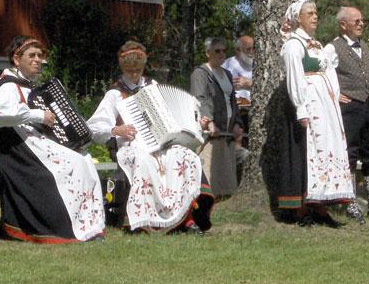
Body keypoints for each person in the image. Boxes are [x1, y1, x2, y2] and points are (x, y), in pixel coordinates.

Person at [0, 36, 105, 243]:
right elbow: (1, 115)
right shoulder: (7, 84)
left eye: (40, 55)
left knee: (83, 159)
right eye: (32, 55)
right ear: (17, 59)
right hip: (6, 143)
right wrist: (39, 115)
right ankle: (60, 227)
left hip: (22, 140)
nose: (38, 60)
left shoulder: (26, 85)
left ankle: (87, 223)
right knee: (64, 166)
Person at [88, 41, 213, 233]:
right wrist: (116, 130)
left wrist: (196, 124)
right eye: (129, 70)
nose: (134, 74)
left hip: (161, 145)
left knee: (184, 156)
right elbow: (94, 127)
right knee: (142, 160)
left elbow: (171, 117)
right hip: (131, 146)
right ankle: (141, 221)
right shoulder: (115, 94)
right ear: (122, 68)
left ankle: (186, 218)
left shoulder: (153, 86)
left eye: (137, 70)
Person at [273, 0, 355, 227]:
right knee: (306, 153)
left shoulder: (317, 46)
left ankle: (320, 204)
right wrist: (301, 109)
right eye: (309, 13)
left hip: (325, 106)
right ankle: (301, 208)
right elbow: (295, 78)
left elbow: (329, 73)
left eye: (316, 12)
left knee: (324, 151)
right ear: (298, 18)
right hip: (308, 105)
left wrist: (333, 99)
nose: (315, 16)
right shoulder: (293, 45)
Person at [323, 6, 369, 224]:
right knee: (349, 154)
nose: (361, 24)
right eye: (356, 21)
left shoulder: (365, 48)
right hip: (348, 107)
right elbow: (322, 74)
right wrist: (335, 94)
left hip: (367, 105)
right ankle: (350, 203)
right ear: (343, 25)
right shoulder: (332, 48)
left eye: (362, 20)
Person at [190, 37, 247, 195]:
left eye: (224, 50)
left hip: (227, 128)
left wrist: (237, 123)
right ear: (208, 53)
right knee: (210, 165)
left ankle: (226, 196)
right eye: (217, 51)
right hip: (210, 129)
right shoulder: (200, 74)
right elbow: (200, 99)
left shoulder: (227, 74)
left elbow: (233, 100)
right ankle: (207, 196)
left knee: (226, 166)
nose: (222, 54)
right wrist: (209, 122)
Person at [222, 35, 254, 138]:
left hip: (256, 110)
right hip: (235, 112)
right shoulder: (226, 65)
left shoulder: (262, 64)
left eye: (254, 48)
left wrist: (250, 83)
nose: (252, 51)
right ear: (238, 50)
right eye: (248, 49)